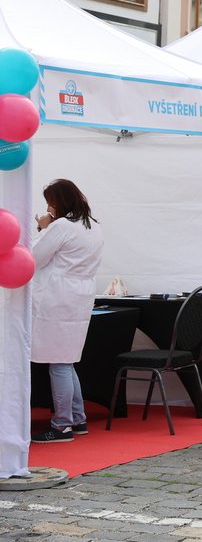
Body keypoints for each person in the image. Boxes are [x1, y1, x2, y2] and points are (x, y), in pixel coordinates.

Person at [30, 180, 104, 443]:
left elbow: (34, 258)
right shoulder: (92, 225)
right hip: (79, 297)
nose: (47, 206)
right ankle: (77, 417)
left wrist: (43, 228)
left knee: (58, 363)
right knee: (67, 359)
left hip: (56, 298)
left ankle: (62, 425)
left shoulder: (61, 226)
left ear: (58, 202)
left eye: (50, 201)